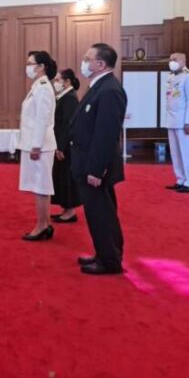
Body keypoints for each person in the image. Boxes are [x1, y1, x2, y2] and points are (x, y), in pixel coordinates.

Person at [70, 43, 127, 274]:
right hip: (87, 162)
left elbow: (105, 134)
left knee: (101, 213)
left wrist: (95, 169)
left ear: (101, 64)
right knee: (98, 212)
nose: (84, 62)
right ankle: (104, 253)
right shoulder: (99, 86)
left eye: (88, 58)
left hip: (94, 167)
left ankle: (109, 261)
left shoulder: (109, 90)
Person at [18, 50, 58, 241]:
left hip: (40, 145)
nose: (27, 67)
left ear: (41, 67)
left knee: (41, 186)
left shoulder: (42, 87)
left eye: (30, 63)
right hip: (38, 143)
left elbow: (42, 119)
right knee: (40, 185)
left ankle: (41, 226)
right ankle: (46, 223)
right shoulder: (38, 86)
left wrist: (36, 146)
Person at [165, 53, 189, 193]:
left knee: (186, 152)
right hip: (172, 120)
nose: (171, 62)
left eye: (175, 59)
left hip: (185, 121)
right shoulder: (171, 76)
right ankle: (180, 179)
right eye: (170, 59)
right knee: (175, 153)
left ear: (183, 61)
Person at [51, 69, 82, 222]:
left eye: (58, 80)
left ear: (67, 81)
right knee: (61, 176)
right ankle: (66, 208)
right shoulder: (64, 96)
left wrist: (61, 147)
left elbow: (67, 125)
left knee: (67, 177)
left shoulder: (69, 98)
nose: (55, 83)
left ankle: (70, 211)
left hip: (66, 146)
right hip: (61, 143)